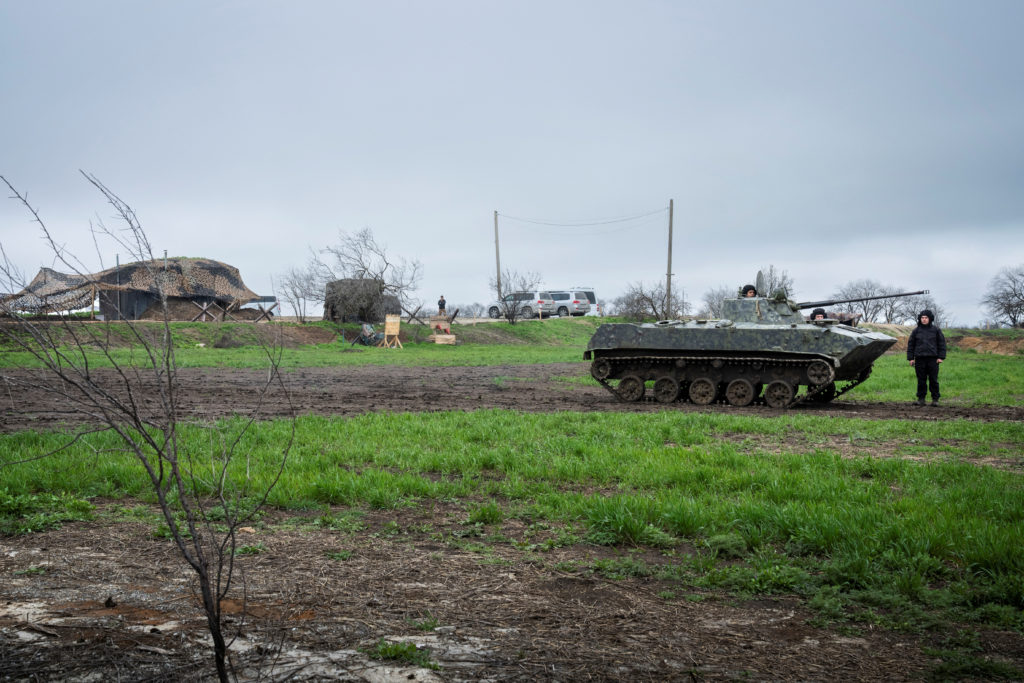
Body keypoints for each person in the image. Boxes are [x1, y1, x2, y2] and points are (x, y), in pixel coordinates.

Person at [907, 309, 946, 406]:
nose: (924, 319)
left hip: (933, 359)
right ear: (920, 319)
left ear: (930, 319)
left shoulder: (936, 330)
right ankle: (921, 399)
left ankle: (935, 400)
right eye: (922, 318)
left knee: (933, 380)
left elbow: (941, 344)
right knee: (921, 380)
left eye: (926, 318)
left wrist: (941, 357)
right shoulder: (916, 331)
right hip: (920, 359)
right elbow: (911, 345)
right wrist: (911, 358)